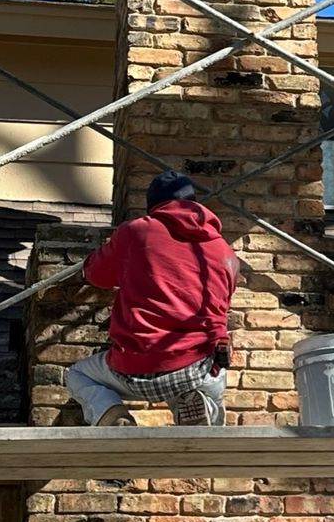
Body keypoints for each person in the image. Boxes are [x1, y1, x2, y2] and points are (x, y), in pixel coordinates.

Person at [63, 170, 239, 428]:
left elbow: (96, 274)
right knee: (206, 379)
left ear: (154, 207)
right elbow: (224, 297)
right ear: (194, 204)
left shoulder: (135, 232)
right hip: (197, 366)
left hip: (133, 365)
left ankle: (111, 414)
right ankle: (195, 405)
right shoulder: (223, 250)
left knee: (78, 374)